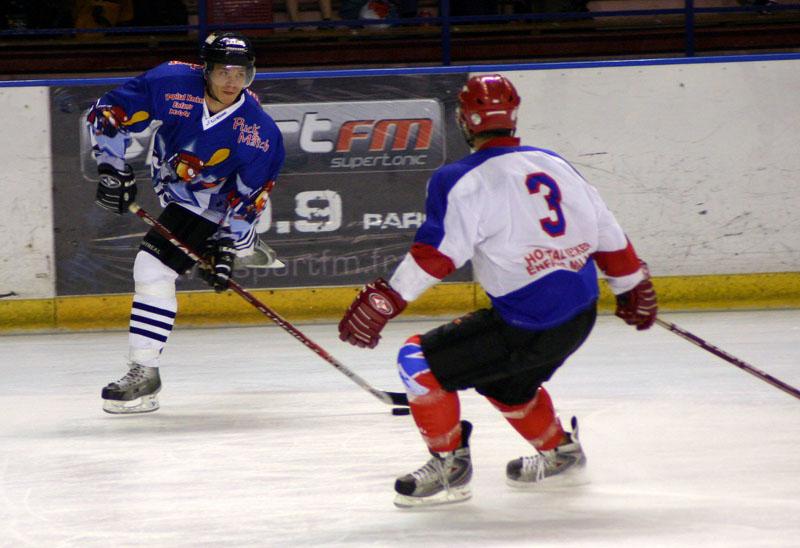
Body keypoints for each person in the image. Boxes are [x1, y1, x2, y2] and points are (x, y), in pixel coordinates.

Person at [338, 74, 657, 507]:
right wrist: (631, 284)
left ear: (464, 120)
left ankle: (450, 469)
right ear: (513, 115)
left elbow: (438, 254)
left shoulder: (459, 178)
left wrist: (386, 300)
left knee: (417, 361)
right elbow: (607, 231)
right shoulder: (553, 162)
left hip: (527, 321)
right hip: (579, 315)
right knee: (506, 383)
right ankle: (560, 453)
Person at [87, 31, 285, 414]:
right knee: (178, 258)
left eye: (241, 73)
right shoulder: (172, 82)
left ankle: (145, 372)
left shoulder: (259, 133)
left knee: (153, 268)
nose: (232, 81)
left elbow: (248, 199)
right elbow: (108, 112)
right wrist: (111, 168)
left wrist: (226, 242)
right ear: (205, 69)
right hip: (171, 182)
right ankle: (248, 247)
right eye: (224, 71)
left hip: (212, 200)